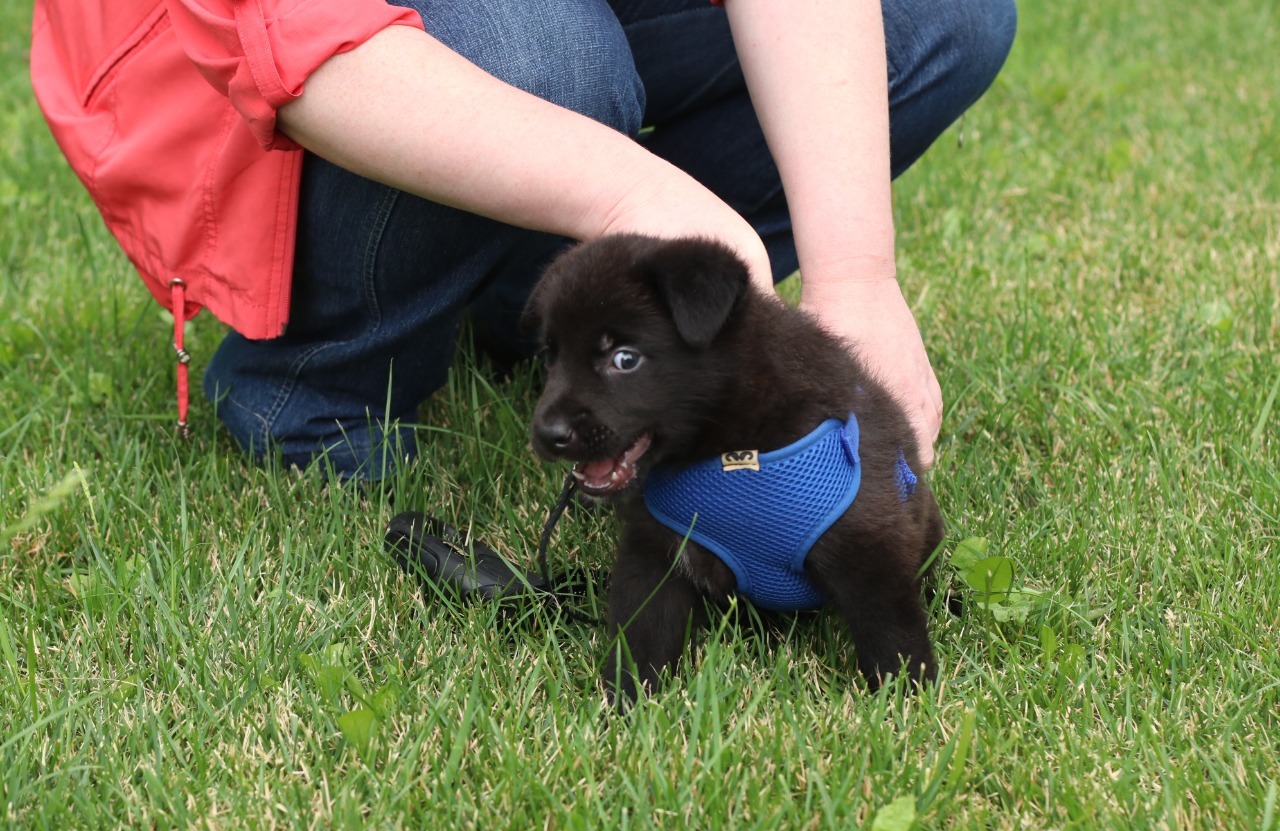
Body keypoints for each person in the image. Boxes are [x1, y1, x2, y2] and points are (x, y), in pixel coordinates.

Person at [31, 0, 1016, 480]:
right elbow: (293, 38)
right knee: (544, 58)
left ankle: (529, 312)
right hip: (246, 99)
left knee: (936, 20)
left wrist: (853, 274)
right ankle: (315, 386)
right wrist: (637, 194)